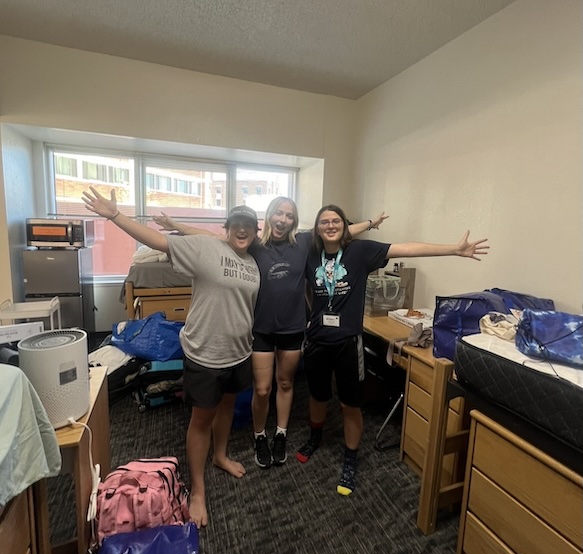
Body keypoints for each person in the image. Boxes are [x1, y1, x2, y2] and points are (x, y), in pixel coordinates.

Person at [153, 198, 388, 469]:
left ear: (294, 220)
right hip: (261, 329)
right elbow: (216, 238)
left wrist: (371, 223)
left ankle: (281, 434)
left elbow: (337, 230)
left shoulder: (302, 243)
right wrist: (176, 226)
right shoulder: (255, 244)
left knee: (286, 384)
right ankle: (260, 434)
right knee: (263, 390)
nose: (283, 219)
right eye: (279, 213)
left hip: (292, 328)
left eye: (289, 215)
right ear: (269, 216)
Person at [82, 186, 260, 529]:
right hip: (206, 354)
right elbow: (158, 241)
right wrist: (115, 216)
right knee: (201, 419)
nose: (242, 230)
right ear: (227, 228)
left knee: (227, 406)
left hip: (239, 352)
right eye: (236, 224)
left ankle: (220, 456)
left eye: (248, 225)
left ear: (255, 231)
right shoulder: (208, 249)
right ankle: (197, 490)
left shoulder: (253, 263)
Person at [297, 204, 489, 496]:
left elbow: (407, 249)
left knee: (350, 403)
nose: (330, 225)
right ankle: (315, 436)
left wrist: (453, 249)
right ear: (318, 227)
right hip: (317, 341)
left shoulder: (360, 253)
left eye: (336, 221)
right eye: (324, 222)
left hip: (348, 343)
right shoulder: (309, 252)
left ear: (345, 227)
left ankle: (350, 457)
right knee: (318, 395)